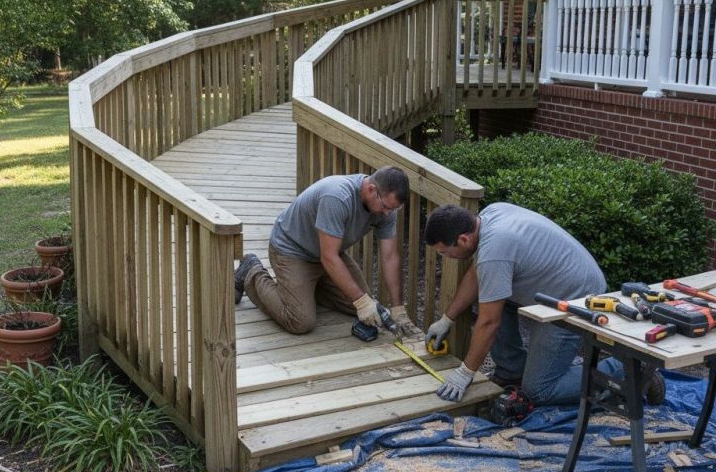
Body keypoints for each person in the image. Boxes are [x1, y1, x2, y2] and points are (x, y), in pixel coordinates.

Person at [422, 202, 665, 406]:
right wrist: (448, 319)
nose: (447, 258)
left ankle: (630, 371)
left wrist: (465, 374)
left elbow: (489, 322)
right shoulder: (490, 215)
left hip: (576, 300)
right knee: (491, 296)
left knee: (538, 390)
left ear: (463, 239)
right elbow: (477, 276)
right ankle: (511, 372)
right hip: (560, 287)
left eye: (446, 252)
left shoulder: (494, 250)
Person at [234, 166, 421, 338]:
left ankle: (310, 288)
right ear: (371, 189)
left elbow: (389, 258)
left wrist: (398, 309)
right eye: (386, 207)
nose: (388, 213)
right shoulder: (337, 197)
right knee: (300, 320)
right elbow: (329, 257)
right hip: (292, 250)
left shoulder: (386, 208)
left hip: (328, 253)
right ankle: (252, 271)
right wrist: (362, 302)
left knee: (369, 309)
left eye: (394, 209)